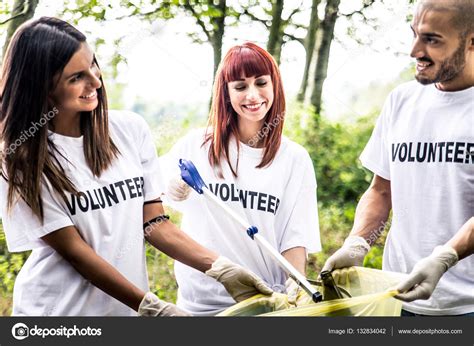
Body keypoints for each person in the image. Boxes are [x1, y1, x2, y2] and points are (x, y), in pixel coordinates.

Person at [0, 17, 273, 316]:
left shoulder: (129, 130)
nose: (95, 81)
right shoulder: (20, 158)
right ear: (43, 85)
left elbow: (153, 223)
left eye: (93, 65)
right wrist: (150, 306)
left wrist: (220, 267)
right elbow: (76, 253)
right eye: (76, 77)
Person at [322, 0, 473, 316]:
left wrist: (446, 257)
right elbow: (381, 190)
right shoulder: (401, 101)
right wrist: (357, 243)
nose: (415, 50)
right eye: (414, 34)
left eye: (431, 39)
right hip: (397, 300)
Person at [161, 42, 321, 315]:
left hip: (265, 305)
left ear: (275, 86)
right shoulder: (197, 145)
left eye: (261, 83)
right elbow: (150, 195)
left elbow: (295, 237)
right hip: (200, 308)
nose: (253, 95)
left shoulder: (295, 159)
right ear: (226, 93)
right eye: (240, 86)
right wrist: (169, 187)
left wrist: (295, 289)